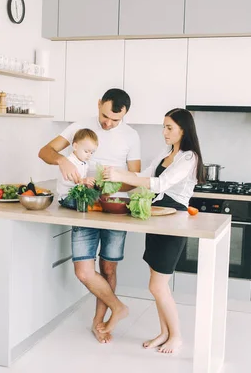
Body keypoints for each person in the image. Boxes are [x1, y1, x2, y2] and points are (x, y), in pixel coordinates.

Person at [38, 88, 141, 344]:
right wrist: (63, 161)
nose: (108, 123)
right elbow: (45, 152)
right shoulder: (80, 127)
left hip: (114, 207)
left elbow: (134, 180)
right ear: (98, 104)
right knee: (84, 272)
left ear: (124, 115)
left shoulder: (131, 136)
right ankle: (118, 307)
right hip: (84, 206)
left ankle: (100, 323)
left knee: (108, 267)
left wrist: (107, 184)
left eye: (115, 120)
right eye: (105, 116)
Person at [103, 108, 205, 354]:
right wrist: (116, 175)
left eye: (169, 127)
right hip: (157, 215)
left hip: (174, 218)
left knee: (157, 286)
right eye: (164, 127)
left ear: (184, 129)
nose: (164, 132)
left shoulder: (189, 157)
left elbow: (161, 183)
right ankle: (164, 333)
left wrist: (119, 175)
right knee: (158, 284)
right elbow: (146, 174)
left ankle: (176, 336)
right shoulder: (167, 152)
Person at [57, 128, 98, 208]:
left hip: (78, 195)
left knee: (94, 199)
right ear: (75, 146)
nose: (89, 155)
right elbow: (65, 181)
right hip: (67, 197)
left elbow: (83, 181)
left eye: (92, 152)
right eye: (86, 151)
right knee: (83, 205)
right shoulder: (69, 162)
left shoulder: (84, 163)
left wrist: (88, 184)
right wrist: (82, 181)